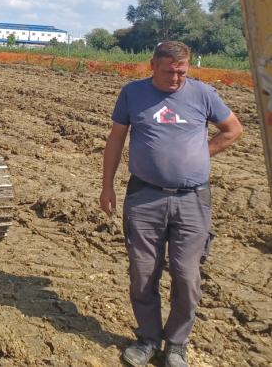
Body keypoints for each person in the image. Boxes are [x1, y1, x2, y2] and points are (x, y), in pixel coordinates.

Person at [100, 41, 243, 367]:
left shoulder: (203, 94)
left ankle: (176, 345)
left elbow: (233, 130)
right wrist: (107, 186)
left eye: (182, 72)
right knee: (143, 272)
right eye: (169, 71)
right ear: (152, 65)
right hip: (144, 197)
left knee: (187, 275)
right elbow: (116, 138)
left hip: (192, 199)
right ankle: (148, 339)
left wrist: (201, 152)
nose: (176, 78)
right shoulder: (132, 93)